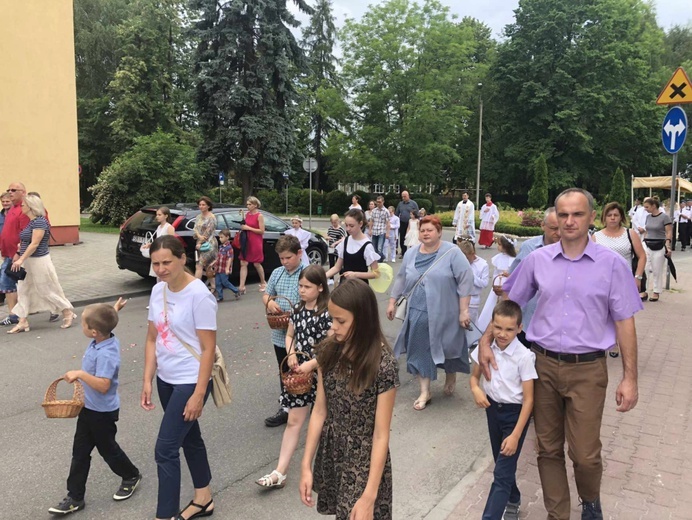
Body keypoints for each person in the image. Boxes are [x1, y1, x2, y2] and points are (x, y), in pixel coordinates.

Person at [478, 188, 642, 520]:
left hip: (588, 369)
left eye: (577, 214)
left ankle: (590, 500)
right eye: (563, 214)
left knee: (584, 454)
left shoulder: (611, 265)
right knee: (548, 449)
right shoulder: (539, 260)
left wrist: (630, 378)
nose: (569, 221)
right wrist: (485, 340)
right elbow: (511, 304)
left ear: (591, 218)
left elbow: (625, 322)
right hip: (543, 366)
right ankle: (558, 515)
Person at [300, 279, 399, 520]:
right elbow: (320, 412)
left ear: (363, 320)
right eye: (332, 319)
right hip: (334, 452)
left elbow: (380, 433)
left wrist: (369, 495)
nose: (334, 327)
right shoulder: (329, 351)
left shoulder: (383, 365)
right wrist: (305, 464)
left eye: (341, 321)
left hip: (364, 461)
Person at [141, 235, 217, 520]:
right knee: (189, 438)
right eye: (155, 263)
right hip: (165, 379)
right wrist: (148, 379)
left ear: (183, 259)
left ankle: (166, 515)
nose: (160, 269)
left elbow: (208, 348)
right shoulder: (157, 290)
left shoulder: (199, 295)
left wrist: (199, 393)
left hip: (190, 380)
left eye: (166, 262)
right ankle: (204, 498)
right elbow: (151, 339)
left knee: (165, 449)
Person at [48, 303, 142, 516]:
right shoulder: (104, 336)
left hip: (102, 413)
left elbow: (103, 385)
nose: (81, 326)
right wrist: (114, 309)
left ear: (93, 331)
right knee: (80, 452)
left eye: (83, 323)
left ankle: (131, 475)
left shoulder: (106, 354)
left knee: (108, 449)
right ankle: (75, 497)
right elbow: (106, 322)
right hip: (88, 409)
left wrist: (80, 374)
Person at [256, 265, 331, 489]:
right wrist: (291, 355)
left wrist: (312, 364)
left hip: (323, 374)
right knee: (294, 421)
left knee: (325, 422)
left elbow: (332, 348)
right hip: (301, 375)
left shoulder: (328, 313)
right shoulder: (297, 310)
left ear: (320, 288)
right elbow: (290, 334)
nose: (301, 290)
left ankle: (324, 469)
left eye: (307, 287)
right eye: (300, 285)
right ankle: (281, 471)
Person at [386, 215, 473, 408]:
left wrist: (463, 310)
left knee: (447, 346)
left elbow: (466, 280)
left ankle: (450, 375)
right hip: (417, 311)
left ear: (439, 232)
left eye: (430, 230)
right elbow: (401, 278)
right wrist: (392, 302)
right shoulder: (411, 253)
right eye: (422, 230)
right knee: (418, 349)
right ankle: (425, 391)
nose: (425, 233)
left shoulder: (452, 252)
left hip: (446, 311)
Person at [470, 301, 537, 520]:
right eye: (497, 327)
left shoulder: (525, 357)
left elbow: (528, 400)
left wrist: (516, 435)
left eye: (509, 329)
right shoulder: (486, 348)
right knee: (502, 464)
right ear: (492, 325)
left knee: (500, 473)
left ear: (519, 328)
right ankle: (514, 498)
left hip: (514, 415)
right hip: (492, 411)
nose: (502, 334)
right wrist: (475, 389)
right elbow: (474, 376)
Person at [7, 194, 76, 333]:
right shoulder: (31, 222)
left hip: (39, 262)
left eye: (23, 205)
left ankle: (67, 312)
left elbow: (35, 244)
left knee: (46, 290)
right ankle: (22, 321)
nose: (21, 207)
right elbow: (27, 242)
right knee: (23, 290)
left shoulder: (40, 222)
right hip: (28, 261)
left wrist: (21, 259)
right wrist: (20, 253)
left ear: (31, 206)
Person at [263, 235, 305, 427]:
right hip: (279, 333)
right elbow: (266, 294)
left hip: (302, 333)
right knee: (285, 370)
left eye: (288, 257)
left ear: (299, 253)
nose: (285, 262)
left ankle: (307, 401)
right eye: (281, 258)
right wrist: (270, 302)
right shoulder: (277, 272)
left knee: (302, 369)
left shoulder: (307, 273)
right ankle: (287, 407)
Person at [507, 208, 560, 345]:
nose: (558, 233)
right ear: (543, 225)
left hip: (553, 326)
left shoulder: (572, 251)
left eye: (562, 228)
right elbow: (512, 280)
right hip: (527, 322)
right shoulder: (529, 247)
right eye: (554, 228)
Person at [592, 201, 646, 309]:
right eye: (609, 215)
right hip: (602, 282)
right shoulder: (595, 237)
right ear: (604, 217)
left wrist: (638, 277)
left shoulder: (630, 234)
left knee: (624, 315)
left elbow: (642, 256)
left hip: (624, 281)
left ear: (621, 217)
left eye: (616, 215)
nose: (612, 218)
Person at [0, 182, 30, 326]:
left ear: (23, 192)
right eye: (9, 190)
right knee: (13, 283)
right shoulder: (12, 209)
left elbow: (26, 234)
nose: (10, 192)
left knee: (6, 282)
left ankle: (14, 315)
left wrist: (19, 252)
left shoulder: (23, 209)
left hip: (17, 255)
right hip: (9, 254)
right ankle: (16, 314)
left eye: (13, 190)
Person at [325, 209, 380, 285]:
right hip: (345, 286)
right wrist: (323, 276)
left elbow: (376, 273)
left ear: (360, 224)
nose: (348, 229)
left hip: (360, 288)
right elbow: (337, 267)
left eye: (351, 226)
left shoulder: (367, 245)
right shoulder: (345, 241)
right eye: (346, 225)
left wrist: (355, 274)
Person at [477, 235, 517, 332]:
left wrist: (509, 275)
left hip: (508, 286)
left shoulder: (514, 260)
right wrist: (494, 283)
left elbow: (516, 274)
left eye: (499, 244)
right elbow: (495, 272)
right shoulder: (497, 258)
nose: (497, 246)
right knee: (493, 304)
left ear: (505, 246)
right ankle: (487, 326)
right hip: (497, 285)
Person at [642, 196, 673, 302]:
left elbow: (668, 231)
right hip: (647, 244)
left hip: (659, 244)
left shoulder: (664, 217)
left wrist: (668, 246)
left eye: (647, 207)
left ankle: (656, 291)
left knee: (657, 269)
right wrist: (643, 239)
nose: (645, 209)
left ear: (654, 206)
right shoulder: (648, 217)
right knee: (644, 268)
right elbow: (647, 230)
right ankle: (643, 290)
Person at [238, 196, 267, 293]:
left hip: (256, 241)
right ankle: (242, 286)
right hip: (247, 240)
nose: (248, 206)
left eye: (250, 204)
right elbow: (245, 226)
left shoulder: (259, 216)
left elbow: (261, 231)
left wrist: (248, 228)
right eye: (247, 204)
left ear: (255, 205)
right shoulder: (247, 214)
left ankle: (263, 282)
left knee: (256, 263)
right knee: (243, 262)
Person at [192, 196, 218, 294]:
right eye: (200, 205)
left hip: (209, 245)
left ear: (208, 206)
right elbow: (195, 230)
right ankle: (214, 286)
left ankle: (195, 289)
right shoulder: (198, 217)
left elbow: (208, 233)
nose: (201, 207)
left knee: (199, 265)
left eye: (203, 205)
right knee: (208, 267)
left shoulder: (212, 218)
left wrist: (199, 242)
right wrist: (198, 237)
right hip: (199, 244)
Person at [459, 240, 488, 324]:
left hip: (473, 300)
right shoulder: (459, 263)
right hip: (459, 298)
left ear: (473, 253)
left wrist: (471, 276)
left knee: (471, 324)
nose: (465, 261)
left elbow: (484, 283)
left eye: (467, 258)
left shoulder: (483, 264)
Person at [142, 206, 175, 279]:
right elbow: (158, 240)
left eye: (159, 215)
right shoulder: (159, 227)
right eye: (157, 215)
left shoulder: (169, 227)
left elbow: (172, 243)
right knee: (158, 276)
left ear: (166, 216)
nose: (157, 217)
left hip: (165, 254)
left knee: (164, 275)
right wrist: (150, 245)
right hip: (158, 253)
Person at [215, 229, 240, 301]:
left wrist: (227, 268)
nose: (220, 239)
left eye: (222, 237)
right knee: (217, 283)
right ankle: (220, 296)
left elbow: (230, 258)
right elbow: (218, 257)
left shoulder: (229, 248)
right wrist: (214, 263)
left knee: (225, 282)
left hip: (224, 268)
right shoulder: (221, 247)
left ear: (227, 237)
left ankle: (236, 290)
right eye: (219, 237)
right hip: (219, 268)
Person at [395, 191, 419, 256]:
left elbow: (417, 213)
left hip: (411, 223)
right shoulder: (400, 204)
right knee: (402, 238)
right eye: (402, 196)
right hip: (402, 222)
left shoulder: (413, 203)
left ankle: (412, 252)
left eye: (404, 196)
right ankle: (403, 253)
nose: (403, 198)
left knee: (411, 238)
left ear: (408, 196)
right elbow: (397, 213)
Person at [369, 196, 391, 262]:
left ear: (383, 202)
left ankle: (379, 262)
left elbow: (388, 223)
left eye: (380, 202)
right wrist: (370, 230)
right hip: (375, 231)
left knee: (379, 248)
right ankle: (382, 257)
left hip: (382, 231)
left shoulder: (386, 211)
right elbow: (371, 221)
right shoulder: (374, 211)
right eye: (377, 202)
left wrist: (387, 233)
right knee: (374, 248)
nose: (378, 203)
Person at [0, 192, 11, 307]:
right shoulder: (1, 216)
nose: (5, 204)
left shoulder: (15, 214)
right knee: (5, 272)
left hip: (15, 250)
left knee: (5, 272)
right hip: (5, 249)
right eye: (3, 202)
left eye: (7, 201)